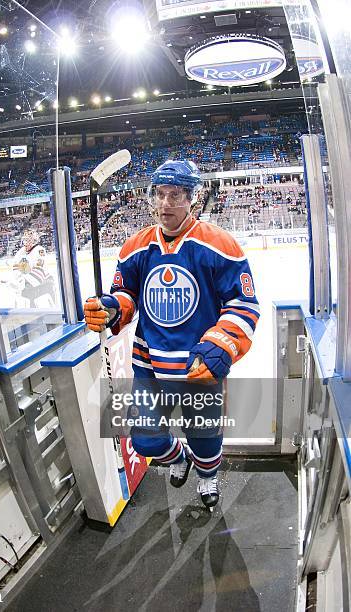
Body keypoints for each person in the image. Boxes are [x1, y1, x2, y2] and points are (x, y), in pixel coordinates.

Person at [84, 160, 260, 509]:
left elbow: (244, 304)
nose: (165, 203)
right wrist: (112, 308)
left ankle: (208, 477)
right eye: (160, 194)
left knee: (206, 439)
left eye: (175, 195)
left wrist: (220, 344)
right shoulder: (135, 246)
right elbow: (127, 294)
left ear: (192, 198)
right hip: (149, 362)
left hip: (198, 367)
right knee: (146, 439)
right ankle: (178, 457)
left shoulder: (219, 244)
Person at [11, 229, 56, 307]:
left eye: (28, 239)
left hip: (45, 283)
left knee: (48, 307)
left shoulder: (40, 250)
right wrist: (19, 280)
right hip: (28, 285)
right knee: (25, 301)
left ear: (34, 240)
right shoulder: (21, 251)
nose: (25, 242)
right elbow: (15, 266)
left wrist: (25, 282)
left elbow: (40, 269)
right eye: (24, 239)